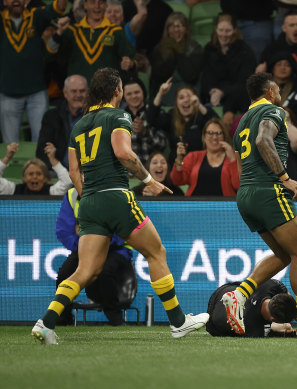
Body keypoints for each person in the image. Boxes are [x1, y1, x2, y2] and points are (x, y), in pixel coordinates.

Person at [31, 68, 209, 345]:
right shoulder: (119, 116)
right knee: (156, 251)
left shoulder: (79, 125)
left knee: (86, 270)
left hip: (89, 201)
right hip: (116, 196)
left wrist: (89, 195)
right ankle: (178, 322)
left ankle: (46, 323)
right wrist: (149, 180)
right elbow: (123, 153)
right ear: (117, 91)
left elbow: (74, 170)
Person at [221, 72, 297, 339]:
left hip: (246, 194)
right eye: (278, 90)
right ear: (270, 91)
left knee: (285, 255)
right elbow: (263, 140)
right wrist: (284, 178)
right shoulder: (275, 111)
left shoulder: (239, 125)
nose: (280, 94)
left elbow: (239, 170)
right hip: (269, 190)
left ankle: (238, 295)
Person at [55, 187, 135, 325]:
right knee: (64, 273)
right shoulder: (71, 195)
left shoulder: (114, 192)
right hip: (83, 248)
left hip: (116, 250)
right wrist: (87, 244)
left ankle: (115, 317)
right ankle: (64, 318)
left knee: (105, 271)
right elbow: (64, 231)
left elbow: (122, 228)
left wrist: (94, 239)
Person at [0, 0, 67, 143]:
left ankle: (40, 166)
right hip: (7, 91)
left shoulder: (35, 16)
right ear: (5, 1)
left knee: (42, 141)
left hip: (36, 91)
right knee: (9, 145)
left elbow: (59, 8)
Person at [47, 0, 136, 83]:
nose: (97, 6)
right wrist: (58, 33)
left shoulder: (116, 31)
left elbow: (132, 60)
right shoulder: (72, 31)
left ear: (106, 5)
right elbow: (51, 55)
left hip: (107, 91)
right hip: (78, 91)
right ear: (85, 5)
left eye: (101, 2)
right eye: (93, 2)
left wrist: (130, 63)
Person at [200, 13, 256, 129]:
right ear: (215, 30)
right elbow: (206, 78)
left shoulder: (245, 51)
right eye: (221, 30)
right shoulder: (209, 49)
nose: (224, 35)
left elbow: (245, 83)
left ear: (235, 30)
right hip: (213, 98)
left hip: (238, 98)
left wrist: (222, 92)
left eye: (228, 31)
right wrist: (212, 92)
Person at [147, 79, 218, 164]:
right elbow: (151, 119)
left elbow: (217, 125)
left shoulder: (202, 115)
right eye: (181, 97)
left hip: (200, 166)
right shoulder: (171, 116)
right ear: (176, 102)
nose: (186, 100)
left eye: (189, 97)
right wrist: (160, 93)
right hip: (177, 166)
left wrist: (199, 105)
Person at [171, 118, 239, 196]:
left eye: (219, 133)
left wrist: (233, 159)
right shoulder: (194, 157)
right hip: (195, 205)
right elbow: (177, 181)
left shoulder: (233, 156)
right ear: (204, 136)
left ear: (224, 136)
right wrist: (179, 158)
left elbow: (238, 185)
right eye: (210, 133)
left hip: (224, 206)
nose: (214, 137)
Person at [206, 279, 297, 337]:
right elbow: (285, 330)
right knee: (287, 327)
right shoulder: (255, 331)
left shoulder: (270, 284)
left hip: (222, 292)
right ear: (273, 319)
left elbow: (286, 295)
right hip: (212, 324)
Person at [149, 12, 204, 107]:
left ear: (186, 29)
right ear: (167, 29)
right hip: (166, 94)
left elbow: (190, 76)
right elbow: (159, 76)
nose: (176, 30)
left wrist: (178, 51)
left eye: (180, 26)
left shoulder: (196, 48)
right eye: (172, 26)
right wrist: (172, 49)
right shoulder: (159, 49)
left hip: (189, 93)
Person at [36, 75, 88, 170]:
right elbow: (42, 150)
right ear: (65, 93)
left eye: (82, 91)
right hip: (58, 171)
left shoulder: (97, 116)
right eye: (73, 91)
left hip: (88, 172)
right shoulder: (51, 116)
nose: (78, 95)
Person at [122, 77, 167, 165]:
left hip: (151, 170)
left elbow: (162, 144)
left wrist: (145, 132)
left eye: (137, 92)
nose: (134, 96)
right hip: (128, 172)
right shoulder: (119, 117)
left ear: (143, 92)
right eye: (129, 94)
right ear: (124, 96)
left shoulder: (156, 112)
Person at [0, 143, 72, 195]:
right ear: (24, 178)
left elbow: (67, 181)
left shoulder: (52, 192)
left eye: (39, 174)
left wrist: (53, 159)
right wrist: (7, 157)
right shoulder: (13, 190)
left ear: (45, 178)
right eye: (30, 174)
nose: (34, 177)